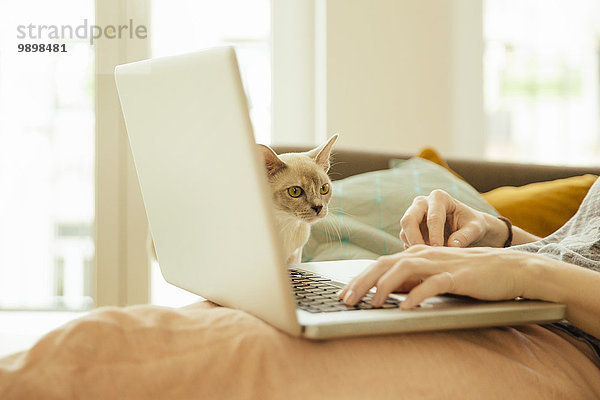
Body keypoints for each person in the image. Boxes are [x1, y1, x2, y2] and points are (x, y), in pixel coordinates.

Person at [338, 181, 600, 365]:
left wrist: (521, 269)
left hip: (573, 343)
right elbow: (581, 253)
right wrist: (497, 236)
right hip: (525, 308)